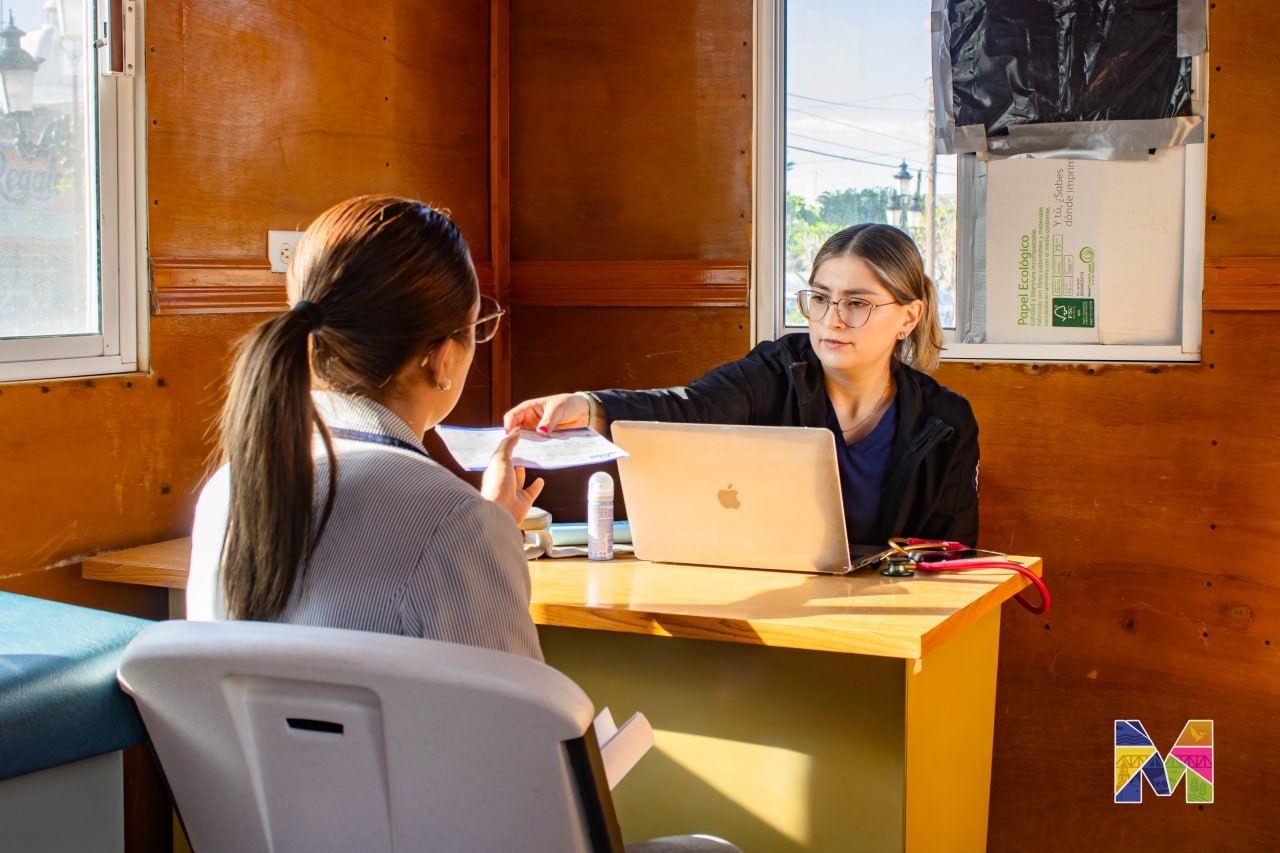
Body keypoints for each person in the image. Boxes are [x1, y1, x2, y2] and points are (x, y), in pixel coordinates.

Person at [188, 195, 545, 660]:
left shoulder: (228, 488)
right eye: (477, 326)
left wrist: (488, 524)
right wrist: (484, 531)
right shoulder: (456, 526)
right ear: (442, 360)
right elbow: (513, 726)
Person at [505, 223, 980, 547]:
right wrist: (588, 407)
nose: (831, 321)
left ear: (909, 316)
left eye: (856, 303)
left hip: (891, 618)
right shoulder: (777, 369)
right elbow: (692, 406)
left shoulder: (946, 422)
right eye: (819, 298)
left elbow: (954, 556)